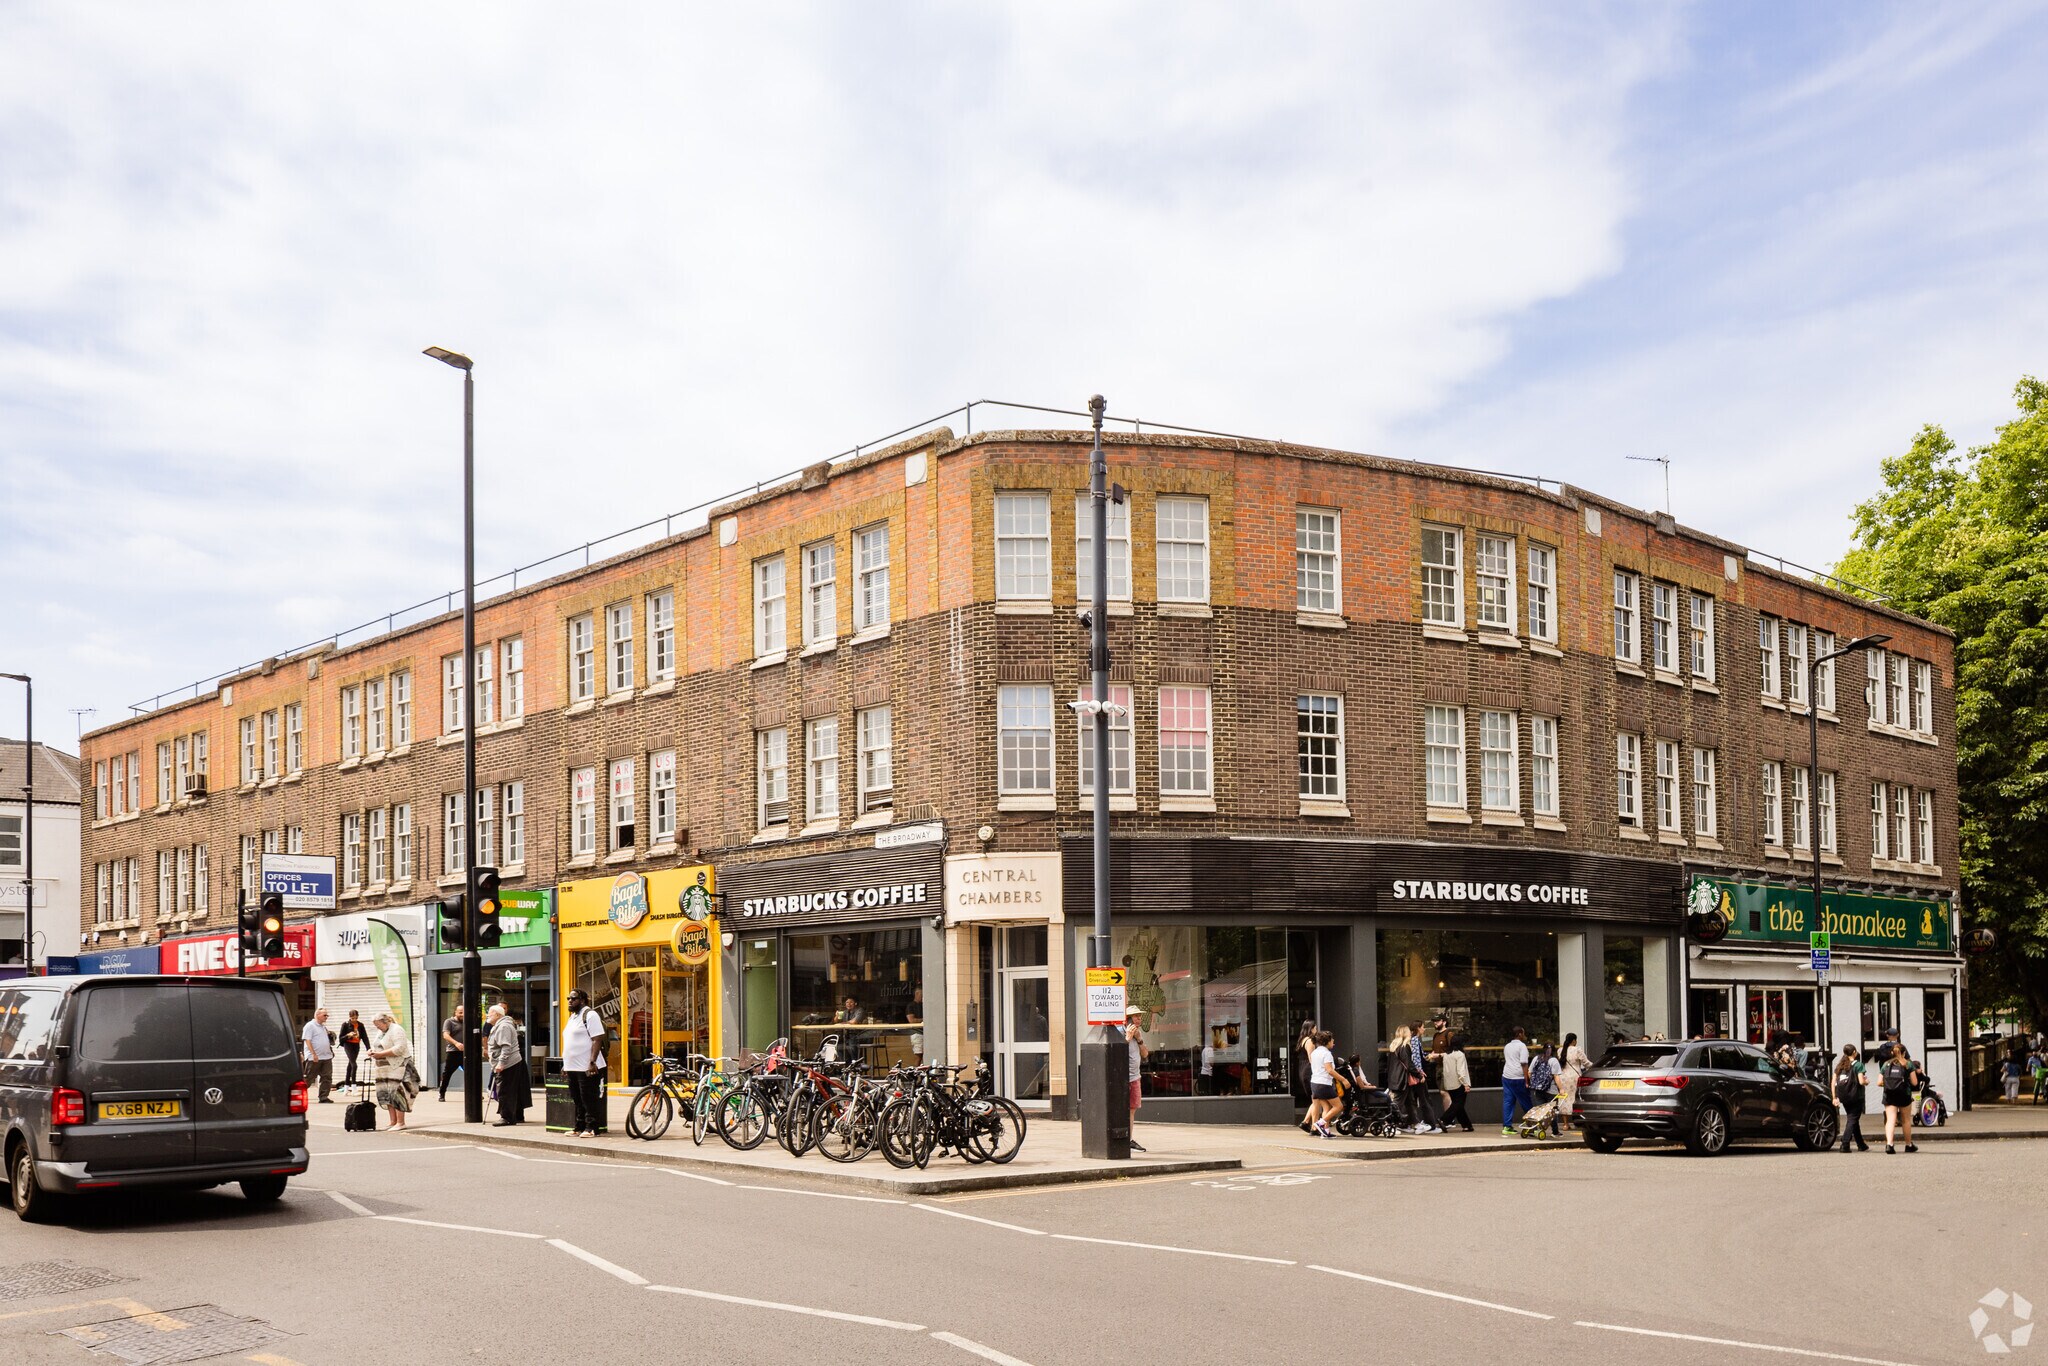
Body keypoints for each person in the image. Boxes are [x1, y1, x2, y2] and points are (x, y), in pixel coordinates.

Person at [561, 989, 609, 1138]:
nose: (569, 1001)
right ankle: (578, 1126)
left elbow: (597, 1039)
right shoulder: (572, 1017)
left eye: (573, 998)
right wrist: (565, 1064)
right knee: (577, 1098)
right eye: (568, 998)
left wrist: (592, 1061)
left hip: (586, 1066)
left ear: (582, 1000)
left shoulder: (590, 1015)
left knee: (588, 1097)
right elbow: (570, 1041)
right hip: (573, 1066)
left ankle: (591, 1127)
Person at [368, 1011, 415, 1130]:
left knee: (397, 1093)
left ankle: (401, 1122)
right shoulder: (381, 1031)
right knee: (386, 1094)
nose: (376, 1027)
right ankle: (393, 1121)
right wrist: (371, 1051)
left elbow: (400, 1048)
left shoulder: (397, 1030)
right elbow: (376, 1045)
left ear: (385, 1021)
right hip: (382, 1068)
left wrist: (380, 1054)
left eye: (378, 1024)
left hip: (396, 1066)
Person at [487, 1003, 532, 1126]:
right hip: (508, 1062)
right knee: (509, 1090)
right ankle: (512, 1116)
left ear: (497, 1014)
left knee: (505, 1090)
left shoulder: (503, 1027)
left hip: (508, 1064)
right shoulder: (501, 1025)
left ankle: (506, 1117)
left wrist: (501, 1063)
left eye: (490, 1013)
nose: (487, 1015)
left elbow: (506, 1047)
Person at [1880, 1045, 1921, 1154]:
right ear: (1903, 1053)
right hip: (1904, 1094)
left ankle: (1889, 1144)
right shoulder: (1908, 1064)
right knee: (1906, 1120)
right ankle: (1908, 1145)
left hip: (1889, 1095)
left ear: (1892, 1053)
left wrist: (1890, 1084)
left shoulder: (1886, 1064)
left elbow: (1879, 1082)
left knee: (1890, 1120)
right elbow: (1914, 1082)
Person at [1405, 1020, 1443, 1133]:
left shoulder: (1411, 1040)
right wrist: (1420, 1074)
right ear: (1418, 1028)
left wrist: (1429, 1056)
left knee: (1412, 1100)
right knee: (1425, 1099)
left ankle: (1410, 1123)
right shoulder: (1415, 1040)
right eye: (1422, 1027)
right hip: (1417, 1076)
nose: (1424, 1029)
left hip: (1413, 1075)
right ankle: (1431, 1125)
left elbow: (1419, 1056)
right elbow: (1416, 1058)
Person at [1304, 1028, 1341, 1139]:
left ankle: (1325, 1131)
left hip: (1314, 1084)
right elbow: (1329, 1070)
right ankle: (1321, 1123)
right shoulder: (1326, 1054)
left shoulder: (1315, 1052)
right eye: (1332, 1040)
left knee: (1327, 1107)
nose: (1333, 1042)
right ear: (1327, 1041)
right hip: (1324, 1084)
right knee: (1338, 1106)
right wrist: (1343, 1080)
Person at [1834, 1045, 1869, 1152]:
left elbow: (1833, 1082)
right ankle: (1845, 1143)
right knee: (1852, 1119)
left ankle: (1861, 1144)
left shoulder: (1840, 1065)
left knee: (1853, 1119)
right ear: (1854, 1052)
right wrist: (1866, 1081)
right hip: (1856, 1096)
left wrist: (1834, 1097)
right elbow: (1861, 1081)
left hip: (1844, 1096)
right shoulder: (1858, 1065)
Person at [1124, 1007, 1150, 1152]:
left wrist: (1139, 1039)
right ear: (1128, 1019)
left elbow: (1145, 1054)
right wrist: (1128, 1038)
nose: (1139, 1019)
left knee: (1132, 1109)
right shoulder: (1122, 1032)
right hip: (1123, 1078)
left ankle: (1129, 1139)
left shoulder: (1138, 1034)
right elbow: (1117, 1052)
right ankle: (1124, 1138)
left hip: (1135, 1076)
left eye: (1140, 1016)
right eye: (1136, 1017)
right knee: (1123, 1109)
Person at [1500, 1026, 1532, 1135]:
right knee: (1526, 1102)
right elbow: (1524, 1063)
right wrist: (1526, 1080)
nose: (1524, 1035)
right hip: (1518, 1077)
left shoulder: (1507, 1046)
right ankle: (1531, 1125)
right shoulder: (1522, 1046)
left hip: (1506, 1076)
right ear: (1519, 1034)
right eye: (1523, 1033)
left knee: (1508, 1102)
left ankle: (1507, 1126)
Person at [1440, 1035, 1474, 1132]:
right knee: (1458, 1104)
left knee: (1458, 1105)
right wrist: (1466, 1084)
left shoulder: (1446, 1054)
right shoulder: (1460, 1054)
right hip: (1459, 1083)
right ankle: (1444, 1119)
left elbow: (1445, 1070)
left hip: (1449, 1083)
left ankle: (1467, 1125)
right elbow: (1460, 1071)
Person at [1557, 1032, 1591, 1131]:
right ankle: (1576, 1122)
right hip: (1574, 1077)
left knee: (1564, 1099)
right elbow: (1586, 1063)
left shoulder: (1560, 1050)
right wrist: (1595, 1066)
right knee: (1575, 1099)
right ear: (1573, 1041)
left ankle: (1565, 1124)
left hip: (1563, 1077)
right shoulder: (1577, 1050)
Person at [300, 1007, 334, 1104]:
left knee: (327, 1077)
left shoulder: (323, 1027)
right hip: (314, 1057)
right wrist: (313, 1054)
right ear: (317, 1015)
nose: (326, 1017)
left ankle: (323, 1097)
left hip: (326, 1057)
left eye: (327, 1015)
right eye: (325, 1015)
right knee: (309, 1078)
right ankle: (299, 1095)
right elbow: (307, 1040)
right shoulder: (310, 1026)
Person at [1527, 1042, 1560, 1135]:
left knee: (1539, 1110)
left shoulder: (1536, 1058)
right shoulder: (1554, 1061)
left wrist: (1536, 1083)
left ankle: (1535, 1129)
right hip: (1551, 1090)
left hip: (1538, 1089)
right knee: (1552, 1111)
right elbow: (1556, 1076)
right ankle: (1555, 1131)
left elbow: (1529, 1073)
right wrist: (1561, 1089)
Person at [436, 1004, 466, 1102]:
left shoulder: (467, 1022)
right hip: (453, 1052)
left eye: (464, 1012)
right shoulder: (449, 1022)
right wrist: (456, 1043)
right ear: (455, 1012)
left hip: (465, 1053)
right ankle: (442, 1093)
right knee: (447, 1074)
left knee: (471, 1074)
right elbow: (445, 1035)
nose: (462, 1014)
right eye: (460, 1012)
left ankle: (474, 1094)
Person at [337, 1009, 370, 1087]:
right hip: (348, 1045)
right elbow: (341, 1038)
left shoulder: (360, 1025)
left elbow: (365, 1037)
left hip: (356, 1045)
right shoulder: (345, 1024)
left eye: (356, 1018)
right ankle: (354, 1085)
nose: (354, 1020)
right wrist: (348, 1035)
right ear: (349, 1017)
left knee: (350, 1065)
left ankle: (346, 1086)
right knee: (354, 1065)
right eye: (353, 1018)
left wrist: (368, 1048)